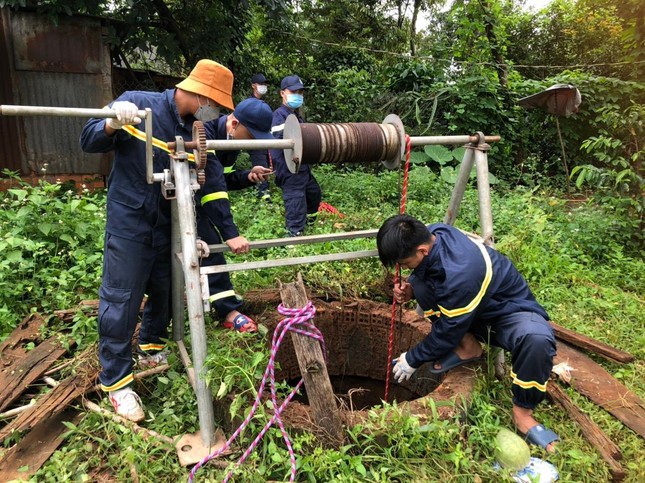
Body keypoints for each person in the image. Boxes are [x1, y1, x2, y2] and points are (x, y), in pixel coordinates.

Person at [80, 59, 244, 423]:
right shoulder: (138, 103)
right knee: (122, 298)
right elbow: (87, 140)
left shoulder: (198, 128)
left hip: (170, 223)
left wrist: (201, 236)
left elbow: (207, 183)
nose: (215, 111)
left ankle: (151, 348)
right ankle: (117, 383)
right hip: (131, 221)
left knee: (166, 287)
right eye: (215, 103)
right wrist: (111, 122)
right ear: (202, 93)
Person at [377, 214, 559, 453]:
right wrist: (411, 290)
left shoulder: (461, 272)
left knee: (536, 340)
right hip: (468, 307)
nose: (403, 268)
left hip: (506, 311)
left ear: (422, 250)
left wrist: (412, 358)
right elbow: (430, 281)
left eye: (405, 263)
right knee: (421, 283)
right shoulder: (435, 233)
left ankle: (523, 414)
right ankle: (469, 348)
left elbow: (448, 331)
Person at [198, 97, 273, 331]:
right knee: (211, 245)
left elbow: (222, 180)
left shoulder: (230, 143)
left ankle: (221, 304)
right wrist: (231, 233)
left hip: (197, 198)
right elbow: (213, 191)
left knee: (206, 248)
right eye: (250, 136)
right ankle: (228, 311)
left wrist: (247, 176)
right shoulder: (207, 137)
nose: (251, 143)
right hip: (171, 200)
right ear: (234, 124)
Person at [270, 75, 322, 237]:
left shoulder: (296, 116)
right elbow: (280, 138)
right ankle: (294, 236)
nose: (298, 95)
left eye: (300, 92)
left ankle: (310, 226)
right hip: (289, 169)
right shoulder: (279, 115)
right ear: (282, 93)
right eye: (293, 91)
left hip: (302, 168)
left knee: (314, 193)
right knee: (296, 201)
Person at [247, 73, 272, 201]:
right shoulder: (249, 105)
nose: (264, 86)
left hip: (265, 142)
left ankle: (265, 194)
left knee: (266, 169)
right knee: (260, 169)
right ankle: (264, 199)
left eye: (265, 84)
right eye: (261, 84)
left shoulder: (262, 103)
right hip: (255, 143)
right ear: (253, 85)